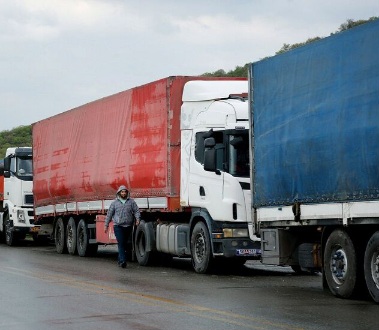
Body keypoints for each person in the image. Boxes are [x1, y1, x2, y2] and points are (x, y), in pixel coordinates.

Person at [104, 185, 140, 268]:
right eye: (122, 192)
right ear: (119, 193)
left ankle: (120, 259)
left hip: (128, 226)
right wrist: (106, 225)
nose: (123, 193)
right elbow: (109, 214)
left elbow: (136, 211)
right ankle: (123, 261)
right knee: (121, 243)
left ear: (127, 193)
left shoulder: (131, 202)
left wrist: (138, 219)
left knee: (126, 244)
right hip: (118, 226)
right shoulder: (114, 203)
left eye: (125, 192)